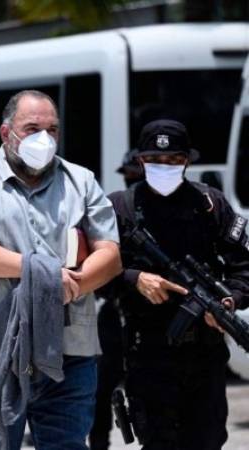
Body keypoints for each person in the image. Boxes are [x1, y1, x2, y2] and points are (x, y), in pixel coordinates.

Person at [0, 90, 121, 450]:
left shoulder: (80, 180)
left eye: (52, 129)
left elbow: (109, 254)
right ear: (7, 133)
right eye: (32, 127)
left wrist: (74, 285)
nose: (44, 138)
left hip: (68, 353)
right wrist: (42, 274)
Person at [103, 119, 249, 450]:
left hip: (205, 354)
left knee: (207, 441)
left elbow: (243, 265)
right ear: (140, 162)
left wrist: (230, 301)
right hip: (148, 352)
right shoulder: (119, 208)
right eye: (155, 160)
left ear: (187, 161)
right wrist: (134, 279)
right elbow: (93, 275)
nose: (164, 167)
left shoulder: (210, 204)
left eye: (173, 160)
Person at [89, 151, 144, 450]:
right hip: (116, 313)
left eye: (135, 175)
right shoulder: (115, 209)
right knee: (101, 391)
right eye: (128, 176)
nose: (131, 182)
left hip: (151, 318)